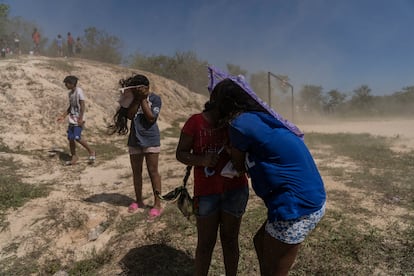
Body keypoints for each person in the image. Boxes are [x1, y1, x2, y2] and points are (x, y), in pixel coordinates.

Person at [210, 73, 326, 276]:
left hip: (295, 205)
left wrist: (231, 150)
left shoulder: (239, 125)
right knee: (259, 242)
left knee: (274, 270)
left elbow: (238, 166)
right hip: (304, 196)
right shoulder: (256, 119)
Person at [175, 95, 249, 275]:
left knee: (230, 240)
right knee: (205, 243)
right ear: (221, 104)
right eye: (233, 109)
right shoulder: (195, 122)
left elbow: (245, 156)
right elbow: (180, 153)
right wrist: (202, 160)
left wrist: (235, 153)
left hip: (235, 190)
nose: (235, 114)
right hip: (207, 193)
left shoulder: (234, 124)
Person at [109, 74, 163, 219]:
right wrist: (137, 99)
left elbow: (151, 118)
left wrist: (143, 99)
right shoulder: (133, 100)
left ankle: (157, 204)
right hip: (135, 140)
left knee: (153, 172)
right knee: (136, 172)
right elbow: (131, 116)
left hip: (151, 139)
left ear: (146, 88)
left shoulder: (155, 99)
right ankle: (139, 201)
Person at [57, 75, 95, 165]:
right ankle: (74, 156)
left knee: (77, 137)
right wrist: (63, 116)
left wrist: (81, 118)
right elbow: (70, 107)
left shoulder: (79, 91)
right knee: (70, 138)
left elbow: (82, 105)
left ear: (72, 84)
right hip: (72, 119)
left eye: (66, 83)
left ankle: (91, 151)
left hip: (79, 119)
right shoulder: (70, 94)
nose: (65, 85)